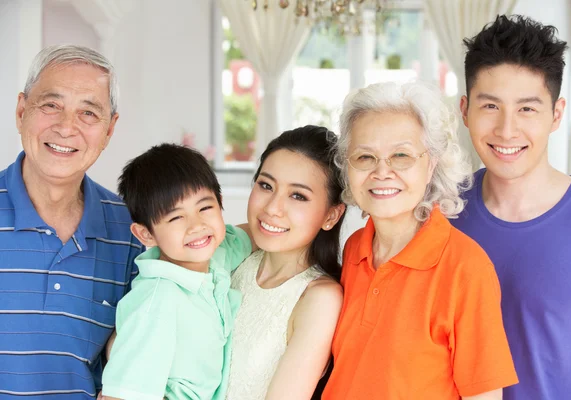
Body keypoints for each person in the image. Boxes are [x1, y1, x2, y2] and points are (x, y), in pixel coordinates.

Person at [322, 81, 519, 400]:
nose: (381, 172)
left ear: (431, 165)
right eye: (364, 157)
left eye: (401, 155)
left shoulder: (465, 268)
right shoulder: (354, 247)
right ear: (347, 167)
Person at [453, 15, 571, 400]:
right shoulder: (440, 211)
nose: (506, 130)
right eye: (490, 106)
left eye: (527, 109)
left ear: (556, 114)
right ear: (465, 110)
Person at [0, 45, 141, 399]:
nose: (66, 127)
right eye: (51, 105)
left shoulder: (133, 232)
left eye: (89, 113)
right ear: (21, 111)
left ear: (110, 129)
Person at [101, 143, 253, 400]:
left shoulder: (219, 251)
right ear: (146, 234)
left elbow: (256, 234)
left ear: (220, 203)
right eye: (175, 218)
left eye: (205, 208)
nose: (197, 226)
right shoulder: (156, 300)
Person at [225, 126, 346, 400]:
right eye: (266, 185)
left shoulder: (319, 298)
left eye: (298, 196)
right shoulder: (232, 257)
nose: (272, 208)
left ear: (331, 215)